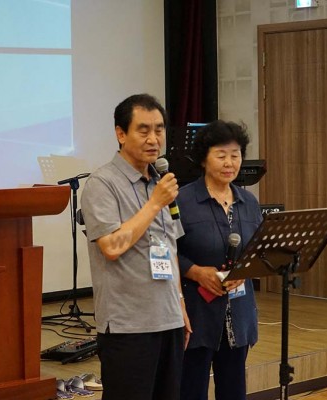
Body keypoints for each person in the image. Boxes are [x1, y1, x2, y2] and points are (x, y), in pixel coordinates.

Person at [80, 93, 191, 400]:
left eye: (159, 129)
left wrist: (180, 305)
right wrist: (154, 204)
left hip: (168, 318)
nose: (153, 138)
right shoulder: (102, 184)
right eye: (143, 130)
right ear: (121, 133)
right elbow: (111, 247)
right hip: (128, 326)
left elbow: (170, 248)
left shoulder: (160, 181)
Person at [176, 120, 263, 400]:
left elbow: (257, 250)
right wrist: (195, 271)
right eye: (221, 155)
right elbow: (164, 251)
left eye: (235, 155)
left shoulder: (248, 202)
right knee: (191, 390)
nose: (229, 163)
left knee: (234, 391)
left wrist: (245, 270)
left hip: (238, 311)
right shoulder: (182, 200)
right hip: (196, 311)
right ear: (204, 159)